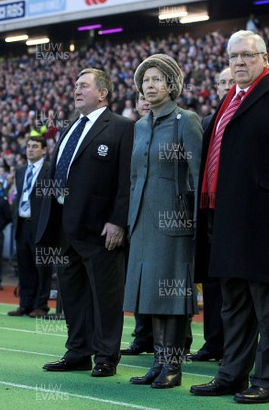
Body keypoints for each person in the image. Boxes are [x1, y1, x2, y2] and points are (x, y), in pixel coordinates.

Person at [190, 30, 269, 404]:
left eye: (247, 56)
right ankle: (232, 374)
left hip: (266, 219)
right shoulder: (228, 99)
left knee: (268, 306)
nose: (239, 63)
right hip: (224, 217)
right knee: (233, 304)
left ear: (265, 58)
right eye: (234, 57)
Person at [37, 68, 134, 377]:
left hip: (100, 229)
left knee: (106, 295)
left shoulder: (122, 128)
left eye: (83, 86)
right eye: (75, 86)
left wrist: (118, 221)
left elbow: (126, 179)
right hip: (66, 226)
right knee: (72, 295)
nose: (76, 90)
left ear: (102, 93)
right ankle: (77, 351)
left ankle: (106, 356)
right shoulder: (69, 128)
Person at [125, 54, 203, 389]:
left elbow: (199, 176)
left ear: (171, 85)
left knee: (170, 294)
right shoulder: (140, 126)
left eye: (157, 79)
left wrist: (202, 221)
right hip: (142, 221)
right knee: (151, 296)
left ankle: (173, 364)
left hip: (174, 222)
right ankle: (159, 362)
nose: (150, 85)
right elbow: (133, 177)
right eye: (146, 80)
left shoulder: (187, 120)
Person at [189, 67, 234, 363]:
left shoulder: (244, 115)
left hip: (234, 211)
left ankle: (234, 346)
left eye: (232, 81)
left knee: (235, 284)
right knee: (213, 282)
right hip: (209, 212)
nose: (227, 86)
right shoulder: (208, 121)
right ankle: (213, 342)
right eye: (222, 82)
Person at [121, 92, 154, 356]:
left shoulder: (179, 124)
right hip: (135, 216)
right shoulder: (132, 132)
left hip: (162, 217)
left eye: (148, 97)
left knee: (164, 281)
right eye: (140, 98)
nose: (144, 102)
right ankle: (142, 336)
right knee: (139, 281)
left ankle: (177, 342)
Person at [7, 136, 53, 318]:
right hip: (22, 225)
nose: (30, 149)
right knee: (24, 267)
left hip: (41, 226)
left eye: (35, 146)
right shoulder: (21, 171)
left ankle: (41, 305)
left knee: (42, 267)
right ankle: (25, 304)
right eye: (28, 146)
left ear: (44, 150)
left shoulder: (50, 170)